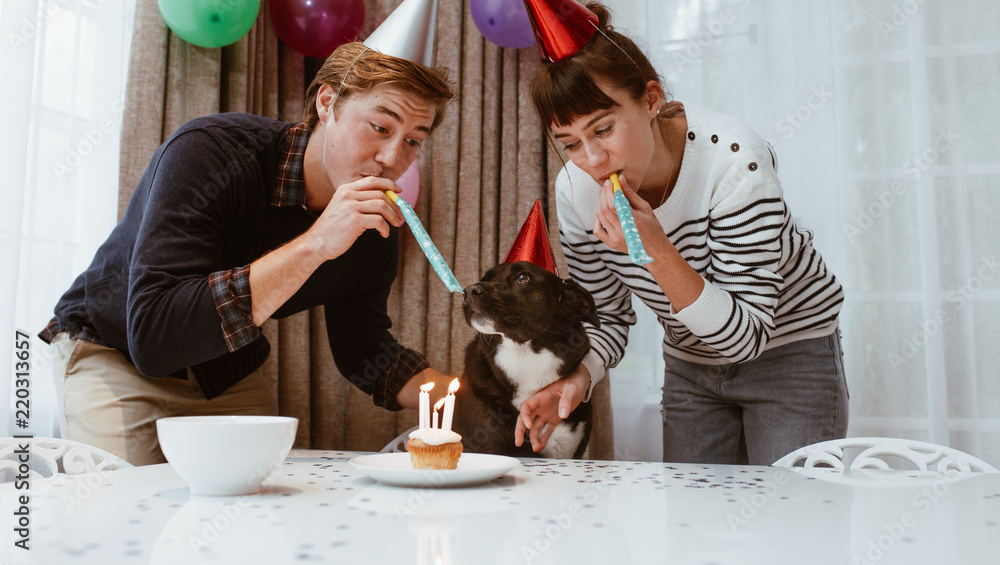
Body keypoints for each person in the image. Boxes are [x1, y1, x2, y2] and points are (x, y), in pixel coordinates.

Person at [38, 36, 458, 466]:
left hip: (228, 370)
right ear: (328, 103)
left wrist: (479, 398)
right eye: (381, 127)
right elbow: (154, 338)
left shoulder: (371, 225)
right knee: (119, 509)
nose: (392, 158)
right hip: (114, 353)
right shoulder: (210, 152)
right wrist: (315, 245)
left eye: (412, 141)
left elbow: (363, 349)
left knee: (257, 518)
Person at [515, 1, 847, 465]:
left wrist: (654, 251)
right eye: (570, 143)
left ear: (651, 100)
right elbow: (606, 316)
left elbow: (745, 338)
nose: (592, 160)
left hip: (790, 353)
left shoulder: (735, 164)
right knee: (697, 527)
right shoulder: (575, 190)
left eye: (604, 129)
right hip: (690, 365)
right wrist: (578, 379)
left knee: (794, 520)